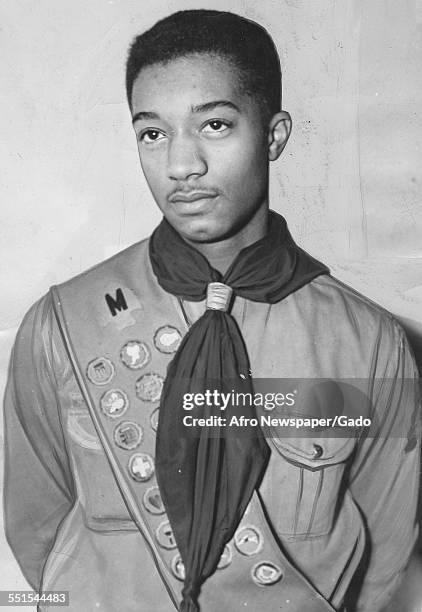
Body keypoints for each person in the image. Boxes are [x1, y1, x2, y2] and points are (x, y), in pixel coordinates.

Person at [3, 9, 421, 612]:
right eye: (152, 133)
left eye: (215, 125)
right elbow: (36, 525)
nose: (181, 165)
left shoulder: (367, 344)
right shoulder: (64, 325)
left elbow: (384, 550)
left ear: (273, 135)